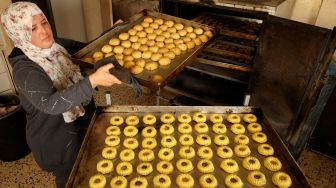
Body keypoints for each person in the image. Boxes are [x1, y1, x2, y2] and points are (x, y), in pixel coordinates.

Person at [1, 2, 121, 187]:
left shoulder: (56, 47)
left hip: (81, 124)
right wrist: (92, 81)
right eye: (32, 28)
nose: (44, 31)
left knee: (91, 167)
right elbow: (51, 104)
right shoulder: (24, 69)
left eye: (44, 22)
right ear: (19, 33)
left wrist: (109, 34)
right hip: (57, 140)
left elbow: (88, 51)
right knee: (71, 179)